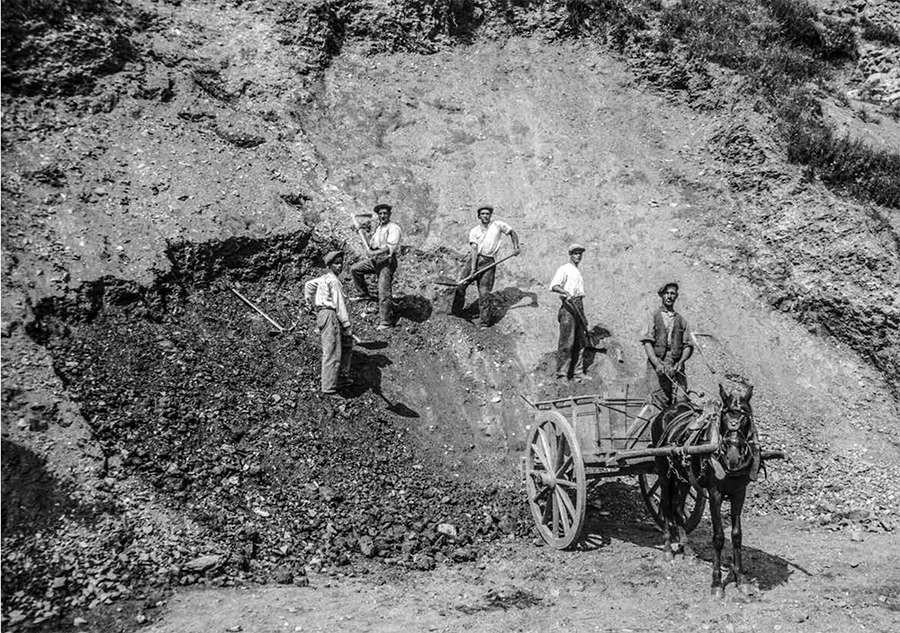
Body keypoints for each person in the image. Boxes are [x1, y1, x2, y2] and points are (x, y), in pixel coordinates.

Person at [450, 205, 520, 327]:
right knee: (461, 286)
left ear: (490, 215)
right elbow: (473, 250)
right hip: (474, 259)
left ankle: (484, 321)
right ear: (479, 216)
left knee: (484, 293)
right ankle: (456, 314)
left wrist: (516, 247)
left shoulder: (497, 225)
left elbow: (512, 232)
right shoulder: (474, 231)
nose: (485, 216)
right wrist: (473, 268)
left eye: (487, 214)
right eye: (483, 214)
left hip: (489, 262)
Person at [304, 250, 354, 395]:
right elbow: (339, 304)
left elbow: (308, 285)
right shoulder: (333, 281)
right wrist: (347, 325)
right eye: (336, 264)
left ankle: (341, 379)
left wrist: (309, 302)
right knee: (332, 351)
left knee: (345, 345)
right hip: (330, 314)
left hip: (323, 314)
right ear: (329, 265)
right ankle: (329, 387)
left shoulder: (322, 279)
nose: (340, 266)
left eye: (341, 263)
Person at [639, 282, 694, 410]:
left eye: (672, 294)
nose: (669, 296)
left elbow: (688, 345)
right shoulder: (653, 316)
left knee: (682, 398)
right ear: (661, 296)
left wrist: (681, 362)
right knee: (660, 400)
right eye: (666, 293)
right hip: (658, 361)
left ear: (676, 296)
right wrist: (657, 364)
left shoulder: (681, 320)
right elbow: (647, 342)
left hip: (676, 363)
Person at [350, 203, 402, 330]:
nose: (382, 216)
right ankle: (363, 294)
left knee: (383, 291)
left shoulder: (394, 228)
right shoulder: (378, 229)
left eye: (385, 213)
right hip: (376, 261)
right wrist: (361, 231)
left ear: (389, 214)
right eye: (380, 214)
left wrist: (373, 253)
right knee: (355, 269)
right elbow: (371, 245)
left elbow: (388, 248)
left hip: (387, 262)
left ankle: (386, 321)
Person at [549, 244, 590, 381]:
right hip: (568, 307)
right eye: (575, 253)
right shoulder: (564, 269)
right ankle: (562, 374)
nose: (578, 256)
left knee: (580, 341)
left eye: (580, 253)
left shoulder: (578, 272)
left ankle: (578, 373)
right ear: (570, 254)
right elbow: (554, 285)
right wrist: (565, 292)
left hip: (579, 305)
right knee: (567, 341)